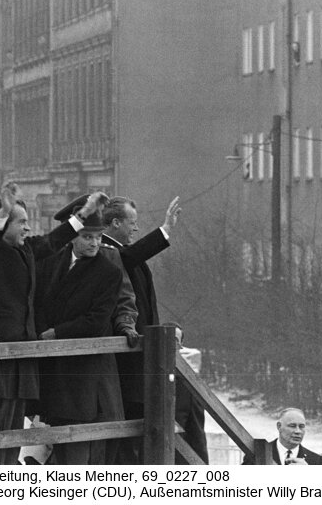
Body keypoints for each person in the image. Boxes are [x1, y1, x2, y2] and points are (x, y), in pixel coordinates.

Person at [0, 184, 109, 464]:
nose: (27, 228)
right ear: (3, 224)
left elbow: (55, 239)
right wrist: (4, 210)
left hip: (21, 355)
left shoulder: (26, 251)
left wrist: (83, 214)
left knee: (12, 434)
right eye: (21, 222)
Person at [34, 207, 124, 465]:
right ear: (73, 236)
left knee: (81, 451)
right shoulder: (51, 263)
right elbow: (38, 302)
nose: (95, 243)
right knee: (57, 447)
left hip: (84, 375)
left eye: (98, 237)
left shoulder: (108, 272)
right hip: (54, 369)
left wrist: (56, 333)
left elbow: (96, 321)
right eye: (87, 237)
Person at [96, 195, 181, 464]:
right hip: (126, 356)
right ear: (115, 222)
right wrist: (164, 229)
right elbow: (128, 257)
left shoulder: (121, 251)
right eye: (132, 222)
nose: (135, 228)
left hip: (138, 351)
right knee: (130, 426)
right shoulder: (107, 251)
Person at [163, 321, 208, 464]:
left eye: (176, 342)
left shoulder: (188, 386)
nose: (172, 346)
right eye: (167, 339)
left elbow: (197, 436)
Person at [243, 407, 322, 464]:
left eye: (301, 427)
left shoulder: (316, 461)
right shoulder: (257, 455)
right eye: (292, 426)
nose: (298, 431)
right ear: (279, 426)